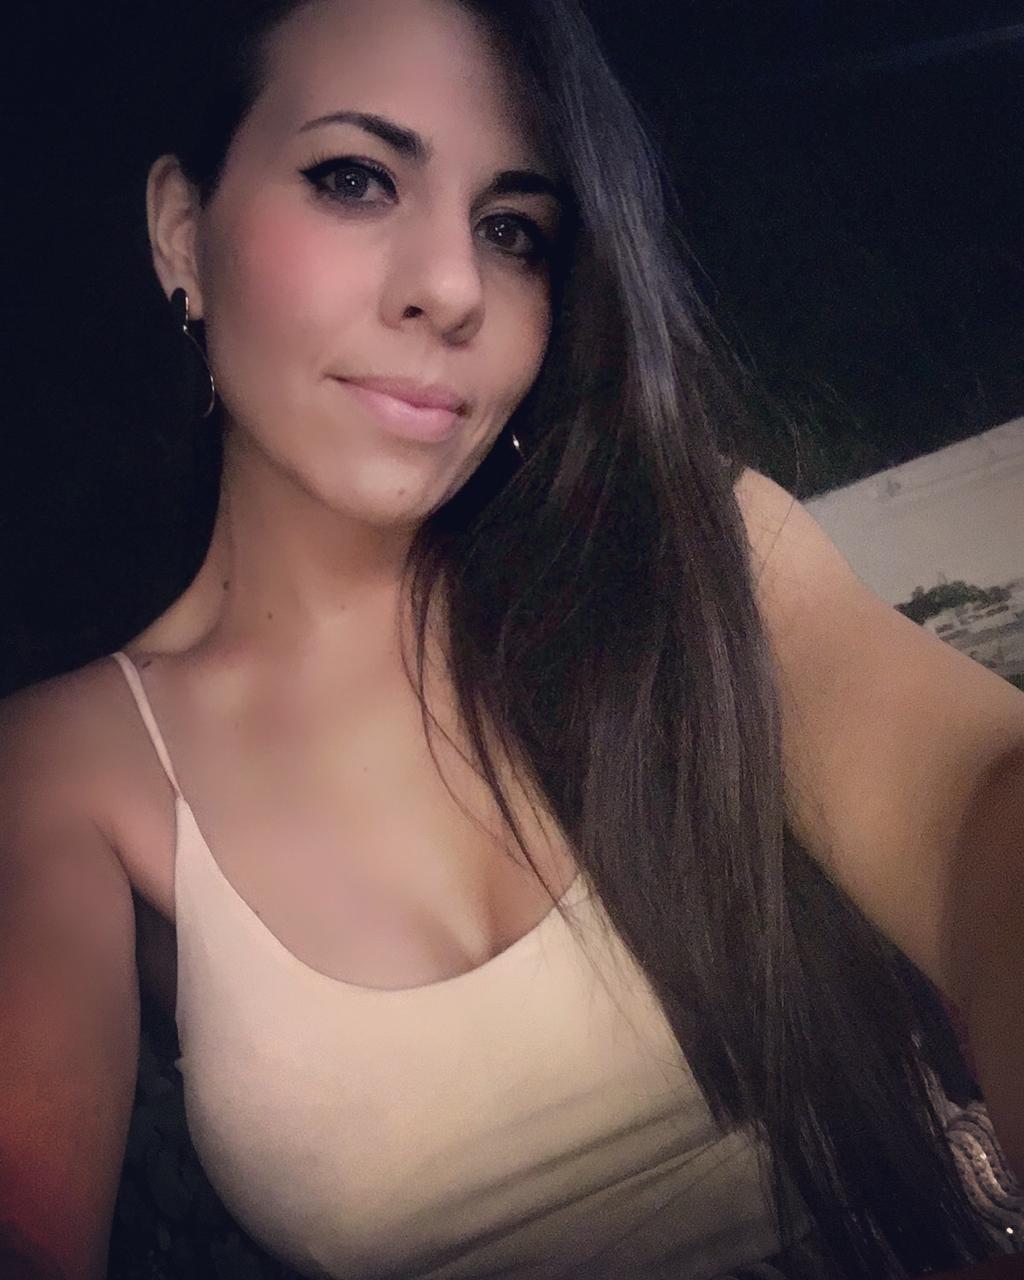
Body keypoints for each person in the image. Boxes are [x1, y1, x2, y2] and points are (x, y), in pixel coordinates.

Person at [1, 0, 1023, 1277]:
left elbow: (979, 801)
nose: (452, 288)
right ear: (181, 232)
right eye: (354, 177)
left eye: (511, 229)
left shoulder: (684, 562)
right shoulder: (66, 765)